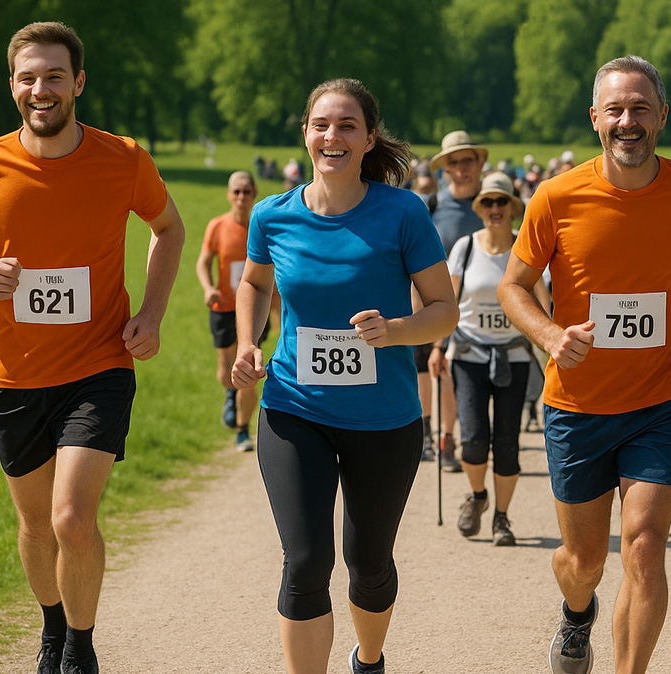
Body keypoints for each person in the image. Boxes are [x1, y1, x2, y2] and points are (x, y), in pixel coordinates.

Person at [0, 21, 185, 674]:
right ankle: (49, 626)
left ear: (79, 83)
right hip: (14, 376)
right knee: (36, 527)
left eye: (55, 76)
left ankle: (80, 647)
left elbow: (169, 228)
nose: (42, 89)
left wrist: (151, 313)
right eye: (29, 77)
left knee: (71, 518)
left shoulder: (123, 159)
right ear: (14, 86)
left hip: (100, 365)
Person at [499, 56, 671, 674]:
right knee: (585, 563)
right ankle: (577, 615)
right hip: (578, 404)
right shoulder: (556, 197)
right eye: (616, 110)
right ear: (596, 118)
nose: (628, 121)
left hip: (663, 397)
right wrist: (550, 334)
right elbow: (513, 287)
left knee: (646, 548)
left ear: (661, 116)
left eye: (640, 109)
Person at [231, 78, 456, 674]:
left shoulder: (402, 211)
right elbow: (253, 284)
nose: (334, 137)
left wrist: (396, 330)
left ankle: (370, 658)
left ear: (368, 138)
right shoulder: (270, 217)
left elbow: (443, 309)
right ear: (306, 134)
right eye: (322, 125)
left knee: (369, 559)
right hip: (293, 406)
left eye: (348, 125)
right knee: (305, 562)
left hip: (384, 418)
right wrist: (248, 341)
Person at [429, 172, 550, 546]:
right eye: (488, 203)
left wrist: (551, 349)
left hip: (514, 356)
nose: (495, 209)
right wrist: (436, 347)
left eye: (502, 203)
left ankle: (502, 518)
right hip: (468, 355)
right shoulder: (464, 248)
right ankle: (478, 496)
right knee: (475, 440)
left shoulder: (525, 250)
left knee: (508, 443)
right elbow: (446, 305)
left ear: (514, 209)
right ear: (480, 209)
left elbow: (543, 306)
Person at [418, 130, 490, 471]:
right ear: (445, 169)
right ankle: (425, 433)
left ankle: (448, 438)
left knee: (453, 373)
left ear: (479, 163)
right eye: (453, 163)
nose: (461, 168)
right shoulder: (431, 205)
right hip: (429, 302)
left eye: (467, 161)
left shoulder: (491, 204)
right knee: (425, 369)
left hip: (474, 307)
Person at [195, 170, 273, 451]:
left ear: (255, 194)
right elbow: (203, 262)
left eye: (247, 192)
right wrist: (208, 287)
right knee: (225, 366)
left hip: (253, 308)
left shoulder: (261, 226)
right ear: (229, 195)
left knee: (248, 366)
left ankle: (243, 429)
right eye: (236, 192)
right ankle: (230, 394)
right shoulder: (217, 226)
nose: (241, 198)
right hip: (223, 306)